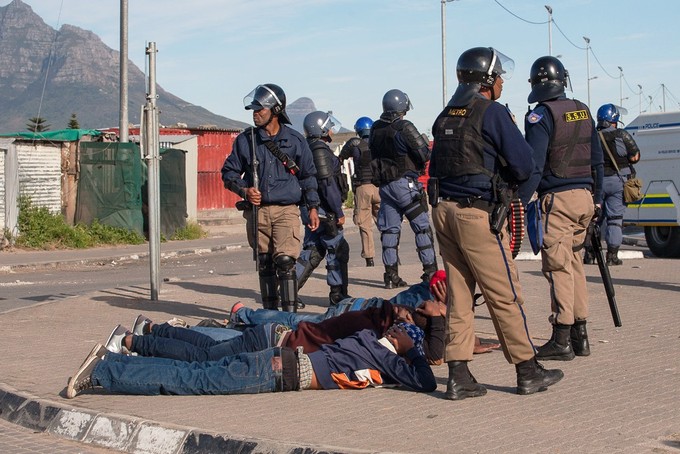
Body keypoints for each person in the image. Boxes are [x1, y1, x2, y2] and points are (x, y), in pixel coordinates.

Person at [429, 46, 564, 400]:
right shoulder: (493, 113)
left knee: (459, 296)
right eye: (500, 75)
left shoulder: (444, 116)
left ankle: (458, 374)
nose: (503, 81)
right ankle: (527, 369)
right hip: (477, 215)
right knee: (505, 294)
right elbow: (523, 165)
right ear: (486, 80)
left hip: (444, 212)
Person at [65, 322, 437, 398]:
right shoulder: (386, 355)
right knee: (192, 379)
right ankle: (105, 370)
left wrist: (409, 342)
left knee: (197, 365)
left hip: (278, 358)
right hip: (279, 372)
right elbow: (426, 382)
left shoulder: (370, 341)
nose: (398, 332)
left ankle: (117, 359)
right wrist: (413, 350)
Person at [522, 56, 604, 361]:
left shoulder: (541, 116)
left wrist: (519, 200)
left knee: (557, 267)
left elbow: (534, 165)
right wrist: (596, 199)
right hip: (585, 197)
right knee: (575, 265)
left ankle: (561, 338)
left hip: (558, 199)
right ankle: (581, 337)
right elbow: (597, 159)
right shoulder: (582, 110)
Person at [221, 83, 320, 312]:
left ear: (275, 110)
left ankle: (290, 318)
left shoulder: (295, 140)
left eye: (260, 110)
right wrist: (244, 190)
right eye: (254, 110)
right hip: (257, 212)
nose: (255, 114)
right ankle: (269, 317)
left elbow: (308, 177)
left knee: (285, 263)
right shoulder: (246, 140)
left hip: (286, 211)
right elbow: (229, 173)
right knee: (265, 265)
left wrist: (313, 207)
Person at [370, 89, 438, 288]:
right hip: (404, 184)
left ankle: (391, 276)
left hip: (385, 186)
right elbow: (423, 154)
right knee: (422, 228)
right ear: (402, 107)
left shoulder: (375, 128)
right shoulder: (405, 126)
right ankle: (430, 272)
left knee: (390, 232)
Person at [296, 111, 351, 306]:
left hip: (312, 208)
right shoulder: (319, 150)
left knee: (313, 249)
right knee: (337, 248)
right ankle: (338, 295)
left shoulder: (307, 148)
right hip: (323, 209)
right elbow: (327, 184)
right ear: (319, 129)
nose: (331, 129)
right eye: (327, 126)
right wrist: (338, 211)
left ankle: (288, 290)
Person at [583, 103, 640, 266]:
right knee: (615, 219)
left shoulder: (591, 135)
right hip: (618, 181)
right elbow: (635, 156)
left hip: (596, 183)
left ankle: (590, 253)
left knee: (594, 219)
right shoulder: (622, 135)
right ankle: (612, 256)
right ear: (614, 118)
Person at [339, 116, 381, 267]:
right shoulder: (379, 142)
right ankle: (392, 254)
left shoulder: (354, 143)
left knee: (365, 225)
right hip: (379, 187)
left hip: (363, 188)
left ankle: (369, 259)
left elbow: (340, 157)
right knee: (386, 224)